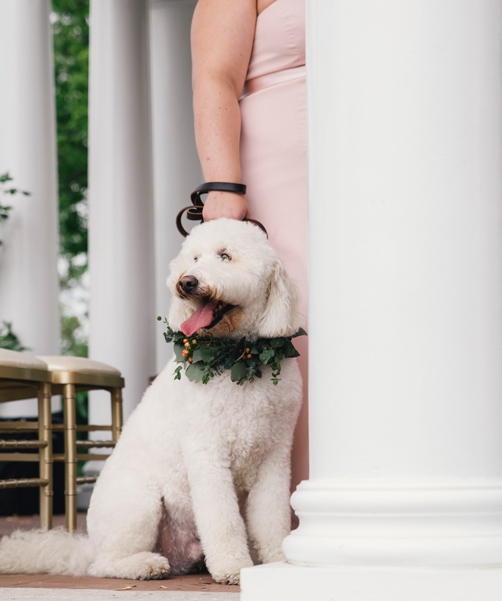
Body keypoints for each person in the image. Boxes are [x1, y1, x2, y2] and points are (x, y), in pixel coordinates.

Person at [191, 0, 309, 491]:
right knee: (299, 320)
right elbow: (215, 77)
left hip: (375, 173)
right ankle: (293, 507)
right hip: (280, 175)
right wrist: (224, 187)